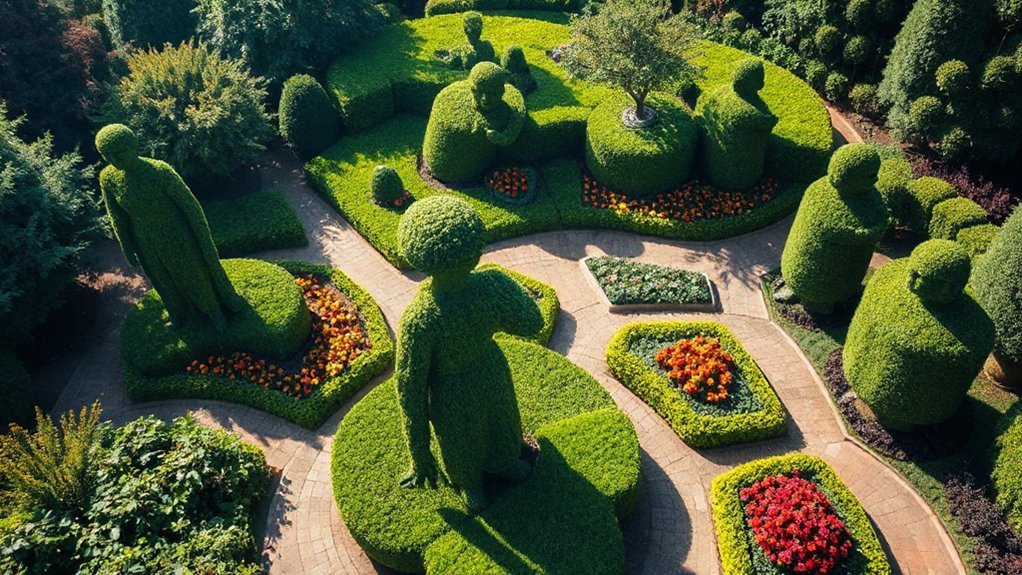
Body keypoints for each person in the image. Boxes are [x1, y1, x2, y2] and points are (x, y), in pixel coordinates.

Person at [395, 196, 542, 510]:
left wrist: (419, 454)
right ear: (474, 254)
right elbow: (533, 322)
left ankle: (494, 470)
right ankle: (474, 482)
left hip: (466, 381)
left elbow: (410, 389)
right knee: (470, 433)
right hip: (472, 376)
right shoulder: (486, 285)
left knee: (481, 428)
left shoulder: (419, 317)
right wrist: (419, 453)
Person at [96, 124, 241, 330]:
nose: (114, 161)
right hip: (144, 242)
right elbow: (117, 217)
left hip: (175, 234)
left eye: (120, 154)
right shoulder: (108, 178)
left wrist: (202, 239)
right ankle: (178, 313)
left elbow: (191, 207)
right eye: (107, 156)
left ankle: (214, 312)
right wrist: (127, 248)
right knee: (162, 280)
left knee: (193, 274)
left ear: (133, 146)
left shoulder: (159, 171)